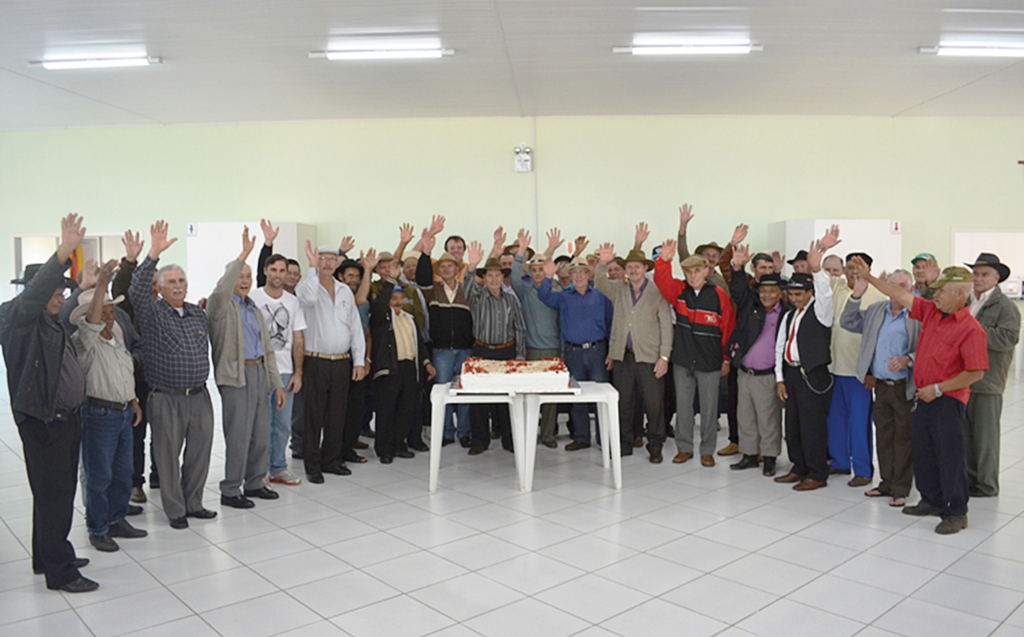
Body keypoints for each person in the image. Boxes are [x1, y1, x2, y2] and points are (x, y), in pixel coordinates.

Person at [849, 258, 987, 534]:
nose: (933, 295)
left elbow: (975, 373)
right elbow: (899, 294)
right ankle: (931, 500)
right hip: (922, 397)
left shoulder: (971, 329)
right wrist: (871, 277)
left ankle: (956, 511)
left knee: (950, 457)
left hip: (947, 400)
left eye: (941, 291)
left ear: (959, 294)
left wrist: (938, 388)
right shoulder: (933, 312)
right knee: (923, 452)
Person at [0, 214, 97, 592]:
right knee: (56, 495)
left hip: (65, 419)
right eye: (57, 291)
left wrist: (87, 285)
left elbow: (59, 302)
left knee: (52, 492)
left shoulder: (50, 317)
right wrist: (63, 253)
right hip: (44, 421)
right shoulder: (16, 317)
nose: (61, 296)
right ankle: (61, 572)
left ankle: (47, 555)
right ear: (36, 291)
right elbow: (37, 296)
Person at [128, 221, 218, 529]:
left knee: (200, 453)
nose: (177, 285)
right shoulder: (152, 313)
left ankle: (194, 502)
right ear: (160, 288)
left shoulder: (196, 312)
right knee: (167, 457)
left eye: (181, 280)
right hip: (166, 397)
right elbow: (136, 288)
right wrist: (153, 252)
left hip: (200, 396)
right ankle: (175, 509)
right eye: (171, 282)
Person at [70, 260, 149, 552]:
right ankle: (98, 527)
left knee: (122, 472)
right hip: (98, 415)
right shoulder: (84, 340)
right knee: (99, 476)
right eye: (103, 311)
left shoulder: (116, 340)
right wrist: (102, 283)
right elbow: (91, 322)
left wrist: (134, 401)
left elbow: (123, 374)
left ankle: (117, 520)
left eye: (112, 310)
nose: (110, 316)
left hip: (123, 411)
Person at [207, 228, 287, 508]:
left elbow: (268, 351)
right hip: (235, 377)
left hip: (258, 374)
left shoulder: (253, 309)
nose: (244, 281)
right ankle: (230, 490)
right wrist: (243, 256)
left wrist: (277, 383)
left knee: (261, 433)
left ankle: (255, 482)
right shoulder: (219, 306)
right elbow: (222, 287)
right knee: (238, 436)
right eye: (240, 276)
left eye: (248, 277)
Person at [840, 270, 920, 507]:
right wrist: (856, 297)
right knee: (884, 436)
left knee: (903, 438)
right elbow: (848, 322)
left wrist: (909, 359)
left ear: (912, 288)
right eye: (892, 286)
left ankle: (901, 488)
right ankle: (886, 483)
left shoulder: (918, 313)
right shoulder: (877, 310)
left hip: (904, 385)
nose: (896, 291)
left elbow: (930, 346)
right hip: (880, 386)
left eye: (902, 286)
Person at [654, 241, 735, 467]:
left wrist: (726, 359)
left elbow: (727, 327)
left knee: (710, 409)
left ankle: (707, 450)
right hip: (683, 360)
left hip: (710, 362)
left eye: (697, 270)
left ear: (707, 271)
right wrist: (664, 261)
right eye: (688, 272)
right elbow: (662, 281)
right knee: (683, 406)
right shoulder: (679, 292)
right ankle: (684, 448)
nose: (693, 275)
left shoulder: (719, 295)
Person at [295, 242, 367, 483]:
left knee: (338, 415)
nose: (326, 262)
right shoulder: (307, 286)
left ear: (338, 263)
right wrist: (313, 270)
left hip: (341, 362)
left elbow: (355, 328)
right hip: (316, 361)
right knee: (313, 415)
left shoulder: (345, 291)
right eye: (321, 258)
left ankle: (331, 460)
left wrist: (358, 360)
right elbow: (308, 300)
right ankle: (312, 465)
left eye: (330, 259)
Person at [594, 242, 673, 463]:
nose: (633, 270)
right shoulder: (618, 288)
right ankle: (624, 443)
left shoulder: (658, 291)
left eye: (637, 266)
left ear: (645, 268)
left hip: (650, 357)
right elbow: (599, 281)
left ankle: (655, 445)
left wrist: (664, 357)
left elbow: (666, 325)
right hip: (623, 356)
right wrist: (602, 263)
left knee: (654, 404)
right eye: (630, 266)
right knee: (623, 403)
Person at [773, 234, 835, 491]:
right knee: (794, 424)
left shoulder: (821, 311)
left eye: (799, 294)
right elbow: (779, 348)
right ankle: (798, 467)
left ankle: (817, 473)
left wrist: (817, 268)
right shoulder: (789, 316)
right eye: (791, 294)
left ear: (809, 292)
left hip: (814, 375)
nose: (795, 298)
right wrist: (779, 379)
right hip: (792, 375)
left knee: (813, 426)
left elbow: (826, 294)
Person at [365, 249, 437, 462]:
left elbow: (419, 345)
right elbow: (378, 305)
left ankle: (399, 444)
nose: (397, 301)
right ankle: (384, 449)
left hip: (409, 368)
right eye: (393, 298)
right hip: (390, 368)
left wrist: (426, 363)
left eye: (400, 297)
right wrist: (391, 280)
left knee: (406, 409)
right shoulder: (381, 318)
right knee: (386, 411)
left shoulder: (409, 318)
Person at [536, 254, 614, 451]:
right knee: (577, 397)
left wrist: (611, 353)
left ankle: (604, 439)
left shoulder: (601, 297)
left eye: (582, 272)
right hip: (573, 353)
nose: (578, 276)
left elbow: (611, 324)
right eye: (574, 272)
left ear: (589, 275)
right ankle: (582, 437)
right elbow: (543, 296)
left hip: (597, 351)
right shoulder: (563, 297)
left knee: (600, 398)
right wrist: (548, 277)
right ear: (570, 276)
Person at [727, 244, 789, 477]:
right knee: (746, 417)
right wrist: (738, 267)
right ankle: (750, 455)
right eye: (764, 291)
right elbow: (739, 289)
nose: (767, 295)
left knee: (769, 420)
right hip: (745, 373)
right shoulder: (750, 305)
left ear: (780, 293)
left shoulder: (785, 313)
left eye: (773, 291)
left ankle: (770, 457)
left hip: (768, 376)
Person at [825, 250, 886, 486]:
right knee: (836, 420)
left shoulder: (878, 295)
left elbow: (880, 337)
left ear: (868, 270)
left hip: (859, 373)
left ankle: (862, 469)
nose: (853, 272)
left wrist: (872, 370)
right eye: (849, 267)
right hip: (834, 368)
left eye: (858, 267)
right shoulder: (838, 288)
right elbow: (818, 274)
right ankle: (840, 462)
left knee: (860, 423)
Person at [963, 253, 1020, 497]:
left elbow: (1008, 338)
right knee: (964, 436)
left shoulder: (1006, 307)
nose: (978, 278)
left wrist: (974, 330)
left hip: (988, 382)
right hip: (962, 379)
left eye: (984, 274)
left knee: (985, 438)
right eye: (975, 273)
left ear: (997, 278)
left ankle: (986, 485)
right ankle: (967, 480)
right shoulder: (966, 301)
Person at [249, 245, 307, 487]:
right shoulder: (252, 297)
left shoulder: (293, 302)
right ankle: (257, 471)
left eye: (282, 270)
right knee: (260, 424)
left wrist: (298, 372)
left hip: (285, 372)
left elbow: (298, 339)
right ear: (265, 271)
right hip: (258, 370)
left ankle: (278, 468)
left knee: (282, 424)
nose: (278, 274)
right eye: (273, 269)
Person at [464, 242, 527, 454]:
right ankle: (480, 441)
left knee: (508, 398)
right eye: (489, 276)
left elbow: (519, 328)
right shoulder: (478, 296)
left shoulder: (511, 299)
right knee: (480, 398)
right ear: (485, 277)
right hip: (483, 351)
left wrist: (519, 355)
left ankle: (510, 441)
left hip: (507, 352)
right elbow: (466, 289)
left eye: (497, 276)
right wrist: (471, 266)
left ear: (503, 277)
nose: (493, 279)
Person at [417, 234, 476, 446]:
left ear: (456, 269)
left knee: (463, 393)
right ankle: (447, 433)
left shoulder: (466, 290)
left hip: (465, 350)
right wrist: (425, 252)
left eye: (451, 266)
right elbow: (422, 277)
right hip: (441, 351)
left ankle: (464, 433)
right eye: (442, 266)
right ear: (439, 270)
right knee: (443, 392)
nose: (446, 269)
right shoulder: (431, 291)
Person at [510, 228, 563, 448]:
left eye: (542, 269)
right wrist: (521, 251)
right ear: (530, 272)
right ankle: (529, 433)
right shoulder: (525, 291)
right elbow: (513, 276)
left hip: (553, 350)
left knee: (550, 398)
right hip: (531, 350)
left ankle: (548, 435)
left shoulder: (557, 292)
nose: (538, 273)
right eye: (534, 270)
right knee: (531, 396)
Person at [676, 203, 727, 288]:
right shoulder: (691, 272)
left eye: (714, 256)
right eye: (708, 255)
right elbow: (682, 251)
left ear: (718, 260)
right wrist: (683, 225)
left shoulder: (721, 282)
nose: (711, 259)